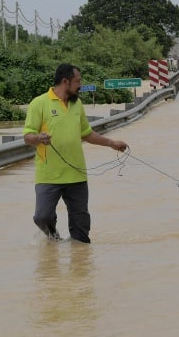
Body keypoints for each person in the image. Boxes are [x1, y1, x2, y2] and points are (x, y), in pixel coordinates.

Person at [23, 63, 128, 243]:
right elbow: (27, 136)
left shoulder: (77, 104)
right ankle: (53, 240)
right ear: (66, 81)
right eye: (78, 81)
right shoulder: (39, 103)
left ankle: (80, 262)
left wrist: (111, 143)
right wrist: (39, 138)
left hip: (76, 174)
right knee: (42, 216)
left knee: (80, 229)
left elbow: (86, 133)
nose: (80, 85)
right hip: (49, 175)